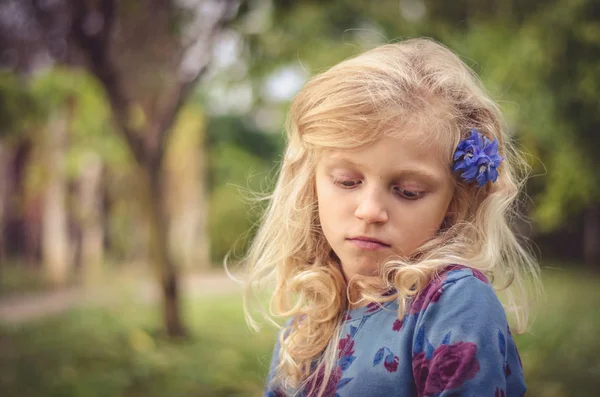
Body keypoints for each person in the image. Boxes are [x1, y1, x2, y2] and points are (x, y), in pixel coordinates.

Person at [240, 38, 541, 397]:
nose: (369, 210)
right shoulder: (307, 323)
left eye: (409, 191)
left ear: (455, 201)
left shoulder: (453, 302)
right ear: (312, 184)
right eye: (347, 181)